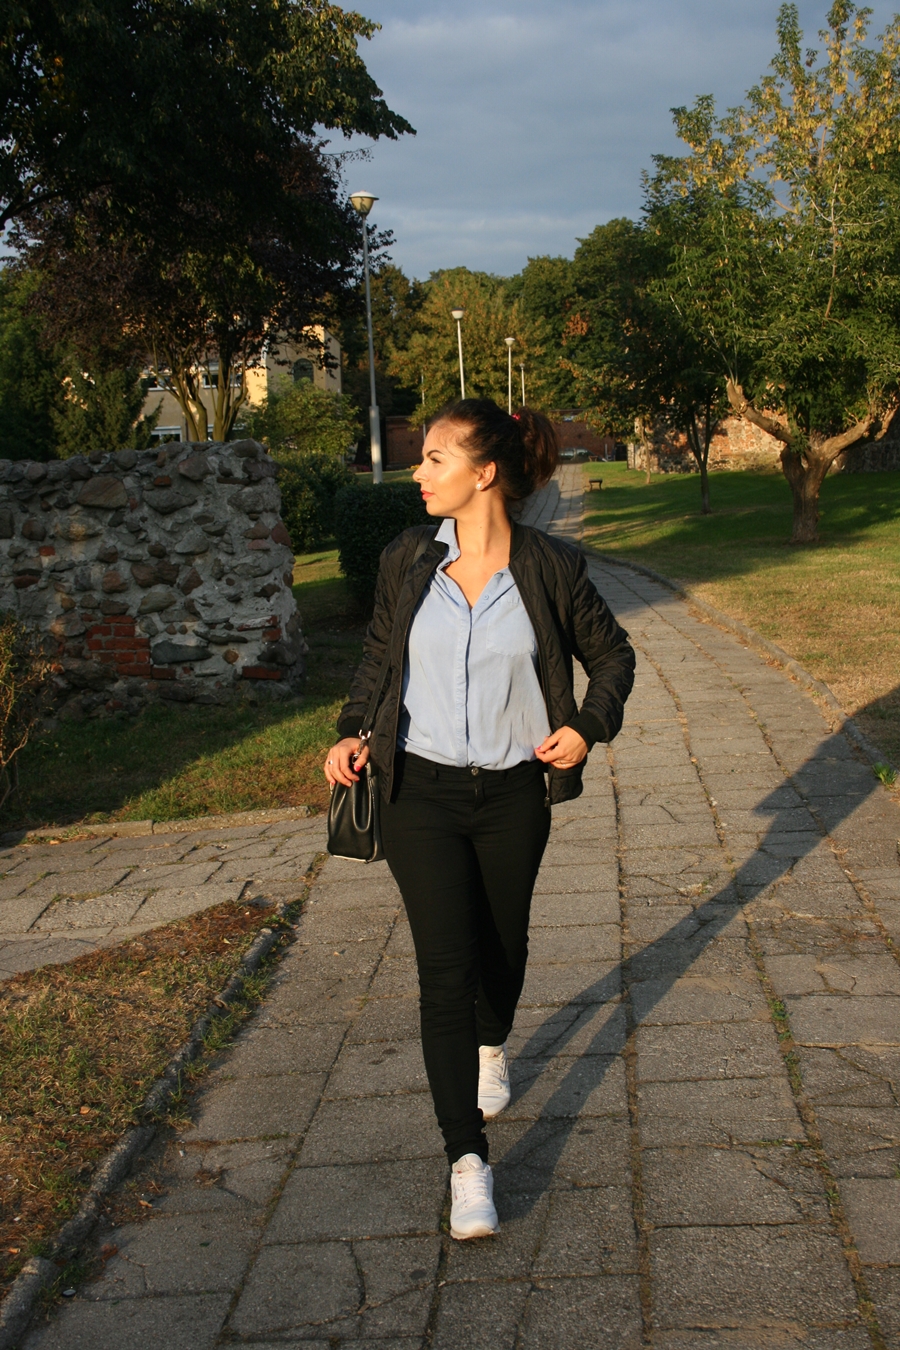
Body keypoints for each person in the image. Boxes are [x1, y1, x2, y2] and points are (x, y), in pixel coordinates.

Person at [324, 398, 635, 1241]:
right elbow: (378, 659)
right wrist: (353, 733)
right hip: (416, 792)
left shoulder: (550, 568)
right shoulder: (406, 560)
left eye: (433, 459)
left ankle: (494, 1039)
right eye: (421, 459)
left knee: (504, 944)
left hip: (510, 796)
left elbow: (612, 656)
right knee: (442, 968)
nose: (417, 473)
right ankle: (467, 1161)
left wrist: (585, 725)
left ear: (484, 473)